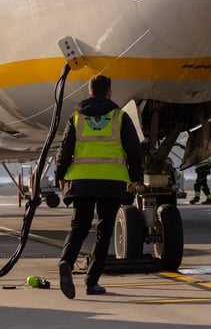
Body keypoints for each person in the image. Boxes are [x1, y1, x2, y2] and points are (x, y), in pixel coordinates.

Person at [55, 74, 143, 299]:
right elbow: (134, 150)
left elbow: (65, 149)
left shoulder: (76, 118)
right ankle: (92, 282)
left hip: (82, 182)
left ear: (90, 92)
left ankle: (66, 260)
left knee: (79, 227)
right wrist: (134, 178)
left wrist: (60, 174)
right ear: (110, 92)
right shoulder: (120, 117)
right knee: (104, 232)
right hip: (111, 183)